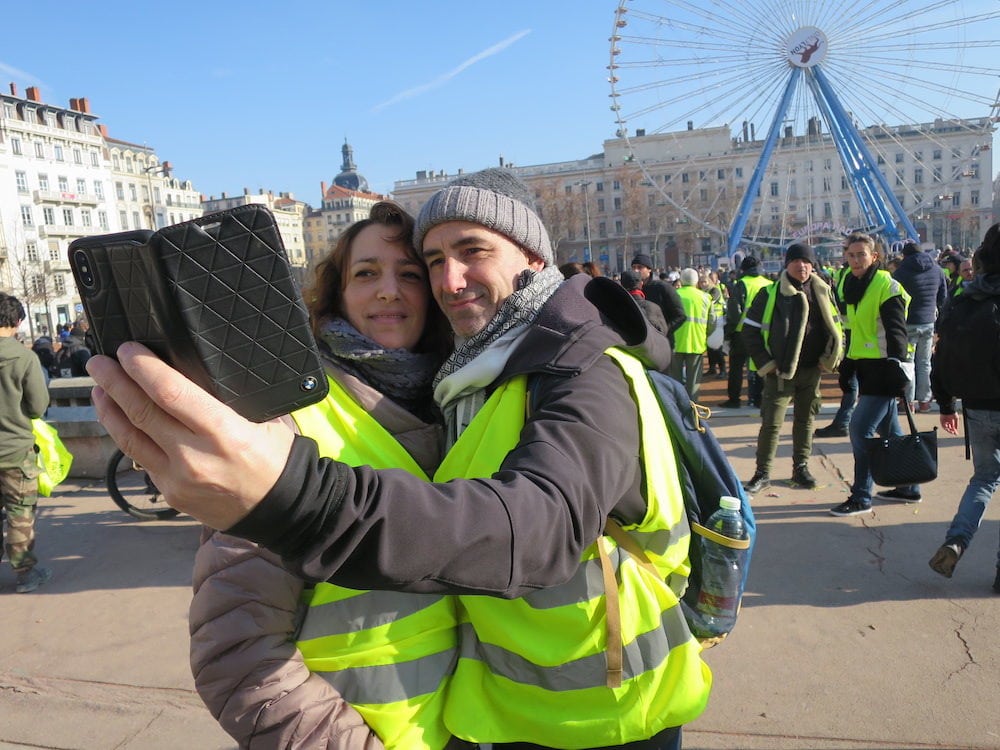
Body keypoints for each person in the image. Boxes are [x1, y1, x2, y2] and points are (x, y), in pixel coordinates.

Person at [88, 167, 711, 748]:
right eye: (424, 263)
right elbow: (239, 651)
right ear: (334, 293)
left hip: (603, 714)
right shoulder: (337, 411)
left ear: (533, 256)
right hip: (458, 723)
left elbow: (537, 525)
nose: (440, 281)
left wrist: (297, 498)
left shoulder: (560, 371)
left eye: (463, 254)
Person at [187, 202, 455, 747]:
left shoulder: (462, 406)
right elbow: (237, 652)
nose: (388, 291)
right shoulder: (288, 422)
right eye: (365, 274)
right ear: (335, 294)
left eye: (409, 274)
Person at [927, 223, 1000, 594]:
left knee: (985, 479)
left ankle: (957, 539)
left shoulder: (966, 297)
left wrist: (944, 403)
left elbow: (940, 355)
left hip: (979, 407)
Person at [740, 243, 843, 494]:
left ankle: (801, 468)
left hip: (811, 370)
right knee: (772, 424)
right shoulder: (769, 294)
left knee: (806, 421)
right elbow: (750, 331)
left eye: (806, 261)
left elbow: (838, 327)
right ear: (787, 264)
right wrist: (768, 364)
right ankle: (762, 473)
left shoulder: (823, 291)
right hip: (780, 372)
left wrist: (829, 358)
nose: (802, 266)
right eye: (796, 261)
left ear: (813, 264)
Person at [829, 233, 919, 517]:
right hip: (865, 366)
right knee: (889, 430)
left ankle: (861, 496)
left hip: (885, 368)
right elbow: (850, 326)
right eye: (851, 254)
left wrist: (898, 369)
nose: (855, 260)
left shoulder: (886, 285)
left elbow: (896, 331)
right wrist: (847, 363)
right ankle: (909, 485)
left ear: (874, 257)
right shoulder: (846, 283)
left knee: (860, 429)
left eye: (861, 255)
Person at [0, 293, 52, 593]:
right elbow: (37, 406)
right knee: (20, 514)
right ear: (18, 322)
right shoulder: (24, 357)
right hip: (15, 451)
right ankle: (25, 574)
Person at [892, 240, 945, 413]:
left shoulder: (900, 273)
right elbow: (943, 296)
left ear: (905, 256)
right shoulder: (937, 269)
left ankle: (908, 403)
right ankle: (924, 401)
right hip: (929, 321)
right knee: (924, 363)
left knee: (908, 363)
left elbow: (895, 298)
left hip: (908, 323)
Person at [720, 255, 772, 409]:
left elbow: (734, 312)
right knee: (762, 364)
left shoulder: (741, 284)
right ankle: (759, 398)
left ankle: (734, 399)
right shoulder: (769, 284)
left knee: (736, 367)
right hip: (764, 331)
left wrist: (728, 333)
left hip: (742, 331)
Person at [814, 255, 857, 438]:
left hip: (855, 338)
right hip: (854, 337)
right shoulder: (848, 275)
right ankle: (844, 421)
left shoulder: (851, 276)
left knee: (853, 385)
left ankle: (843, 422)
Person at [670, 268, 715, 400]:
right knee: (694, 382)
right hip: (697, 342)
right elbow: (712, 322)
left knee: (675, 380)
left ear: (681, 280)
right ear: (696, 281)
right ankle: (692, 410)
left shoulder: (674, 295)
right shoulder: (706, 297)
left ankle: (676, 408)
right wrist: (706, 334)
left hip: (676, 342)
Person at [630, 252, 686, 342]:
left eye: (640, 267)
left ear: (649, 269)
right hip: (639, 344)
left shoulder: (663, 287)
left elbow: (680, 315)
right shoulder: (630, 289)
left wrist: (663, 331)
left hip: (662, 343)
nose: (636, 270)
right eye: (633, 267)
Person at [620, 268, 670, 335]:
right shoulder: (653, 308)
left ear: (621, 286)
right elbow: (663, 332)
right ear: (641, 284)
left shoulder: (616, 308)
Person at [701, 272, 727, 378]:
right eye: (701, 282)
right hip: (709, 321)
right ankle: (712, 368)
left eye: (705, 281)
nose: (703, 284)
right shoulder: (703, 291)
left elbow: (711, 300)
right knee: (710, 347)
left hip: (718, 320)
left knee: (716, 347)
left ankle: (723, 369)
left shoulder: (714, 290)